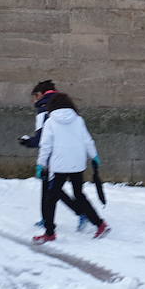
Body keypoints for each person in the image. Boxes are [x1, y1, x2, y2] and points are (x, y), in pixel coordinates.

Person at [33, 92, 109, 243]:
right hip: (77, 163)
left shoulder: (50, 122)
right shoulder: (78, 120)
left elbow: (46, 146)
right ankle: (100, 224)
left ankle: (49, 233)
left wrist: (41, 164)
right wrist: (94, 156)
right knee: (79, 195)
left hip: (59, 165)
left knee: (50, 198)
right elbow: (87, 140)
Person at [20, 80, 87, 231]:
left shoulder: (43, 109)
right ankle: (48, 218)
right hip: (73, 154)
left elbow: (41, 139)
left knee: (52, 189)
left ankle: (81, 213)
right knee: (52, 189)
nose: (33, 101)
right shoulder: (64, 105)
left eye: (34, 97)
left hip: (53, 156)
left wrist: (27, 142)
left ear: (40, 94)